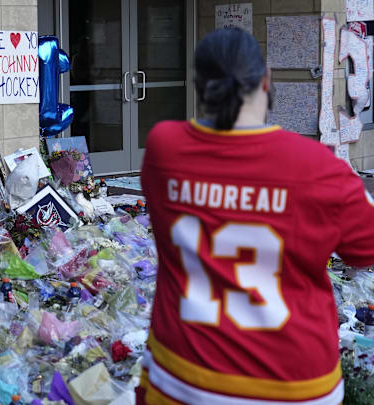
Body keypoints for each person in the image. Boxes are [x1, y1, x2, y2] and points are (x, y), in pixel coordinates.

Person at [139, 28, 374, 404]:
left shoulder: (164, 149)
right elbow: (365, 251)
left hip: (184, 375)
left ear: (199, 86)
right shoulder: (320, 168)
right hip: (296, 384)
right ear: (265, 81)